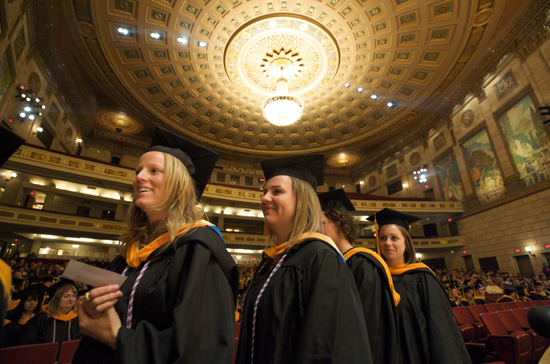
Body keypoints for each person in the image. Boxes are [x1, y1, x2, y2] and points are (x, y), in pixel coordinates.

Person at [73, 127, 239, 364]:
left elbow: (201, 348)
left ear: (178, 184)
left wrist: (118, 339)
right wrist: (93, 307)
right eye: (138, 170)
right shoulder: (128, 255)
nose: (139, 176)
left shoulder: (198, 249)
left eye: (154, 171)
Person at [236, 154, 371, 364]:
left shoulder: (320, 257)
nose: (264, 198)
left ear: (302, 200)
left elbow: (325, 347)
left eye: (277, 191)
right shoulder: (271, 263)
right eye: (264, 192)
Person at [369, 208, 470, 364]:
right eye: (383, 238)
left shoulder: (423, 278)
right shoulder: (375, 278)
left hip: (418, 354)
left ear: (407, 244)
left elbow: (441, 329)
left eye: (394, 237)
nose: (387, 243)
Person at [318, 189, 399, 364]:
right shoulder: (338, 262)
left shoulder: (362, 264)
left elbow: (367, 326)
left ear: (338, 222)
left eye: (321, 223)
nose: (317, 231)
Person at [20, 283, 81, 359]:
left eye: (74, 296)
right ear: (56, 298)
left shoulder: (78, 320)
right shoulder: (41, 319)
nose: (71, 299)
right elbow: (28, 345)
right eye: (66, 296)